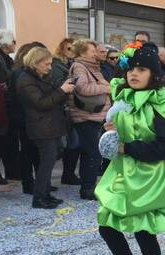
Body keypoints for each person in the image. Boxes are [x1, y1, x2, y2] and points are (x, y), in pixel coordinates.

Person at [97, 41, 165, 255]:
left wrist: (126, 147)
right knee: (107, 225)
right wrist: (111, 131)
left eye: (142, 69)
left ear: (153, 75)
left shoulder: (158, 105)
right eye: (131, 68)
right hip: (124, 173)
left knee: (144, 232)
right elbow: (121, 130)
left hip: (147, 178)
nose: (134, 73)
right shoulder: (124, 98)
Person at [16, 47, 75, 208]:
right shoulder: (25, 80)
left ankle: (45, 194)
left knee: (48, 162)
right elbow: (41, 103)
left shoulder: (39, 76)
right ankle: (39, 198)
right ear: (35, 63)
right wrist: (62, 90)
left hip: (50, 125)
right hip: (41, 127)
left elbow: (51, 96)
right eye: (46, 64)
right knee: (46, 163)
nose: (49, 68)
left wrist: (64, 90)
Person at [68, 39, 112, 200]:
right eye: (92, 51)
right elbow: (82, 88)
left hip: (95, 116)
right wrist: (106, 88)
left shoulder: (93, 67)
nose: (96, 53)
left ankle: (89, 186)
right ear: (82, 52)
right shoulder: (79, 66)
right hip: (85, 116)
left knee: (93, 153)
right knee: (91, 153)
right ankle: (87, 189)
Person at [8, 42, 47, 195]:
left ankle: (38, 183)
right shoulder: (21, 74)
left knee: (34, 152)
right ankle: (29, 184)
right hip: (24, 117)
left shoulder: (20, 72)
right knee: (28, 152)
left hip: (27, 117)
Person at [0, 29, 18, 185]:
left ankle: (11, 171)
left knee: (7, 141)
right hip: (1, 106)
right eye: (14, 41)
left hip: (7, 105)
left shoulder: (5, 57)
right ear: (6, 43)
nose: (15, 44)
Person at [51, 38, 81, 186]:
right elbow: (57, 85)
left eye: (74, 49)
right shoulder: (57, 65)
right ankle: (67, 175)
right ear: (61, 49)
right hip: (63, 109)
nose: (72, 51)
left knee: (74, 144)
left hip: (72, 108)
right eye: (69, 48)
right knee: (70, 144)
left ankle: (68, 174)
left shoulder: (72, 64)